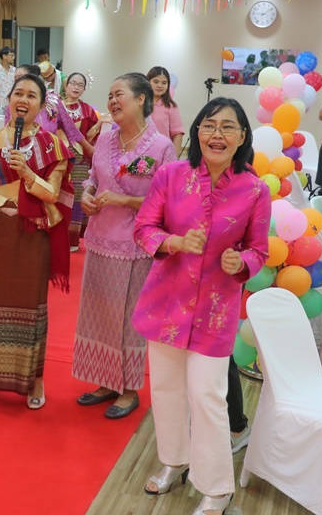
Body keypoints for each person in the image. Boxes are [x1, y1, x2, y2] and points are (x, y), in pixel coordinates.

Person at [133, 97, 270, 515]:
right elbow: (144, 227)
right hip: (166, 302)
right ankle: (174, 460)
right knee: (165, 389)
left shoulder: (255, 189)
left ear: (242, 137)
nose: (217, 134)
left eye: (228, 127)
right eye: (209, 125)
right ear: (196, 132)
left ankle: (216, 488)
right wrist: (173, 242)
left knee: (207, 394)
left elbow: (259, 251)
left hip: (216, 309)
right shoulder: (171, 175)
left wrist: (241, 262)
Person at [0, 73, 73, 409]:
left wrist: (27, 172)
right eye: (18, 93)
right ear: (8, 99)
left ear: (41, 106)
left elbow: (53, 194)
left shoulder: (53, 145)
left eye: (31, 95)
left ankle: (34, 380)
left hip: (32, 233)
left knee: (31, 309)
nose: (23, 100)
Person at [73, 73, 174, 419]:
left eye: (119, 95)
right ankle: (106, 381)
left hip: (135, 246)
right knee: (100, 311)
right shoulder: (104, 138)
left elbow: (167, 202)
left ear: (141, 99)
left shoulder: (161, 147)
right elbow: (92, 178)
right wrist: (87, 196)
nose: (112, 101)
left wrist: (124, 200)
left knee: (129, 318)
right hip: (100, 238)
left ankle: (129, 389)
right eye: (110, 95)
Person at [5, 65, 94, 163]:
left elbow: (70, 128)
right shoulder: (12, 105)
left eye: (21, 77)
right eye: (15, 78)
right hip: (19, 159)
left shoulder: (53, 101)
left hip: (49, 159)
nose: (18, 81)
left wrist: (90, 150)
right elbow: (6, 134)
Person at [62, 72, 101, 250]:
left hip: (79, 158)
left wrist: (98, 125)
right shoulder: (55, 107)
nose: (76, 87)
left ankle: (71, 239)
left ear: (84, 89)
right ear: (66, 85)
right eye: (73, 83)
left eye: (80, 85)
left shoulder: (87, 111)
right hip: (57, 156)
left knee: (77, 196)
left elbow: (92, 137)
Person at [146, 66, 185, 156]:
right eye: (156, 82)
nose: (160, 86)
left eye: (164, 83)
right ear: (148, 82)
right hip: (140, 153)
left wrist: (174, 158)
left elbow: (177, 133)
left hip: (163, 154)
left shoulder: (171, 106)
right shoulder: (140, 103)